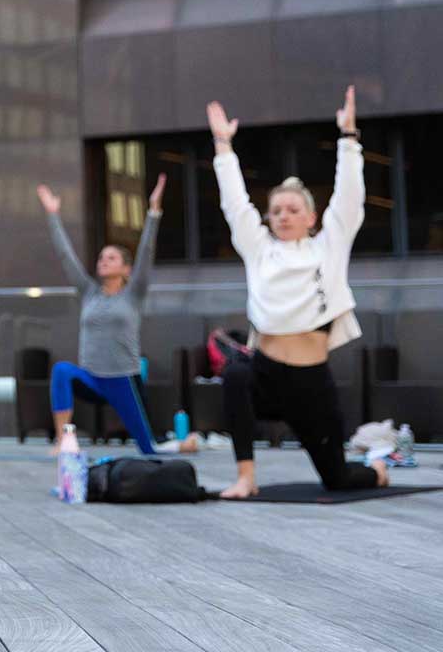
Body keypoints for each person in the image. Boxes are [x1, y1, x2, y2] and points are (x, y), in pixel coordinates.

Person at [209, 86, 388, 500]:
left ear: (311, 217)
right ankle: (245, 477)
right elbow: (235, 204)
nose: (284, 215)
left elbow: (349, 200)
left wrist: (348, 138)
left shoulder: (328, 247)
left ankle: (377, 470)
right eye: (276, 210)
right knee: (236, 375)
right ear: (268, 219)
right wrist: (223, 146)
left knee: (338, 480)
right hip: (266, 374)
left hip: (311, 382)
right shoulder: (258, 250)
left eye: (293, 209)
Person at [35, 177, 198, 457]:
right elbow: (65, 256)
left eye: (111, 258)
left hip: (123, 379)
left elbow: (146, 252)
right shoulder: (88, 292)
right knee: (62, 371)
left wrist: (153, 212)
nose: (103, 261)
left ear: (126, 270)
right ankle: (63, 439)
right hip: (91, 378)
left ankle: (184, 444)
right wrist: (52, 215)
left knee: (149, 450)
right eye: (101, 258)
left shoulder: (133, 293)